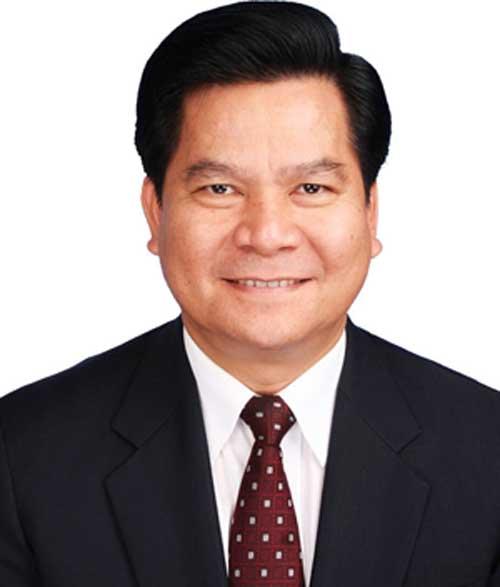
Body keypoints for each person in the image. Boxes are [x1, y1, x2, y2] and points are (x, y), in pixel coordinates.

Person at [1, 1, 499, 585]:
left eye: (311, 187)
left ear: (370, 212)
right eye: (220, 188)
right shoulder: (23, 455)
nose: (266, 235)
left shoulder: (486, 452)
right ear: (155, 211)